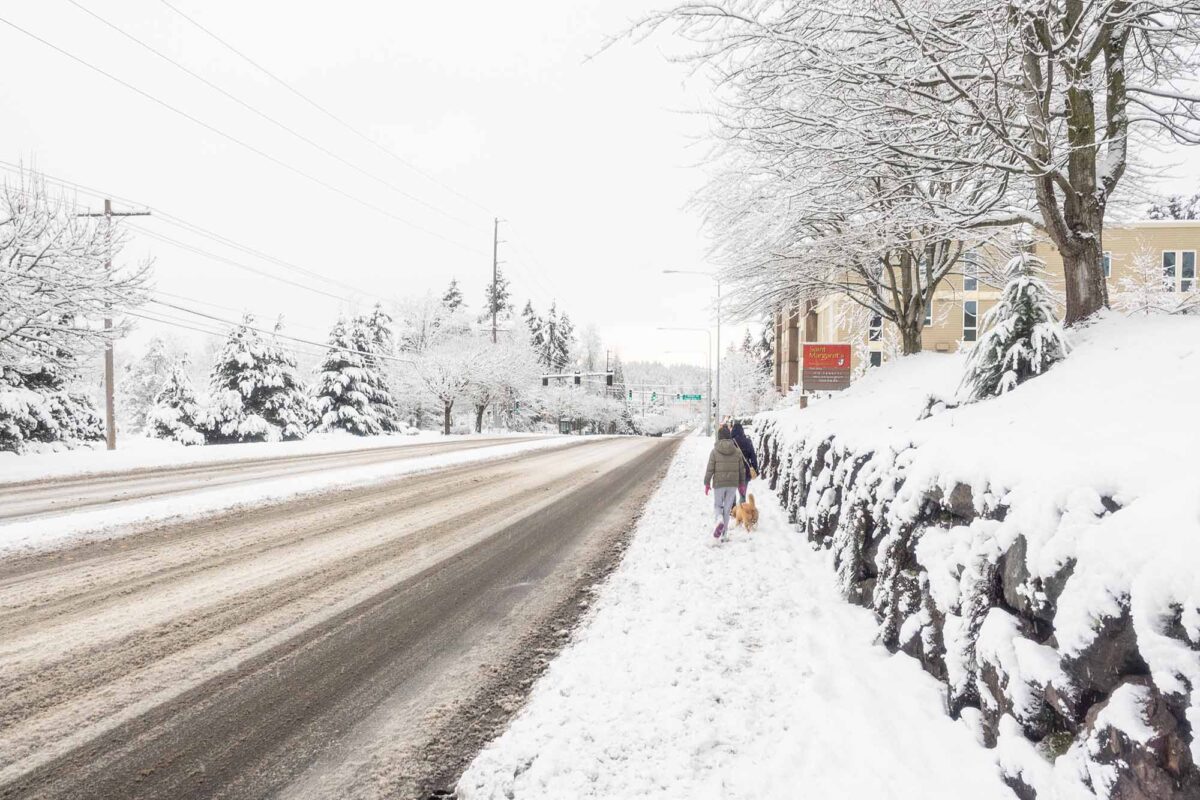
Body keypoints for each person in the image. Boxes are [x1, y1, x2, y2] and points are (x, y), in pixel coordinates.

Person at [704, 426, 749, 540]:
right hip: (732, 484)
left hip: (719, 483)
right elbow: (742, 470)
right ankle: (724, 535)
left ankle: (719, 520)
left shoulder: (714, 451)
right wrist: (742, 484)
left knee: (718, 505)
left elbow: (710, 468)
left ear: (719, 437)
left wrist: (707, 483)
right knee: (728, 508)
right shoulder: (737, 451)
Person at [730, 421, 758, 503]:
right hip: (745, 472)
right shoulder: (748, 441)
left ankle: (733, 508)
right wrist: (754, 468)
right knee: (742, 494)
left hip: (732, 471)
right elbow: (753, 456)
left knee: (732, 492)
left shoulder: (730, 442)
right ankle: (742, 510)